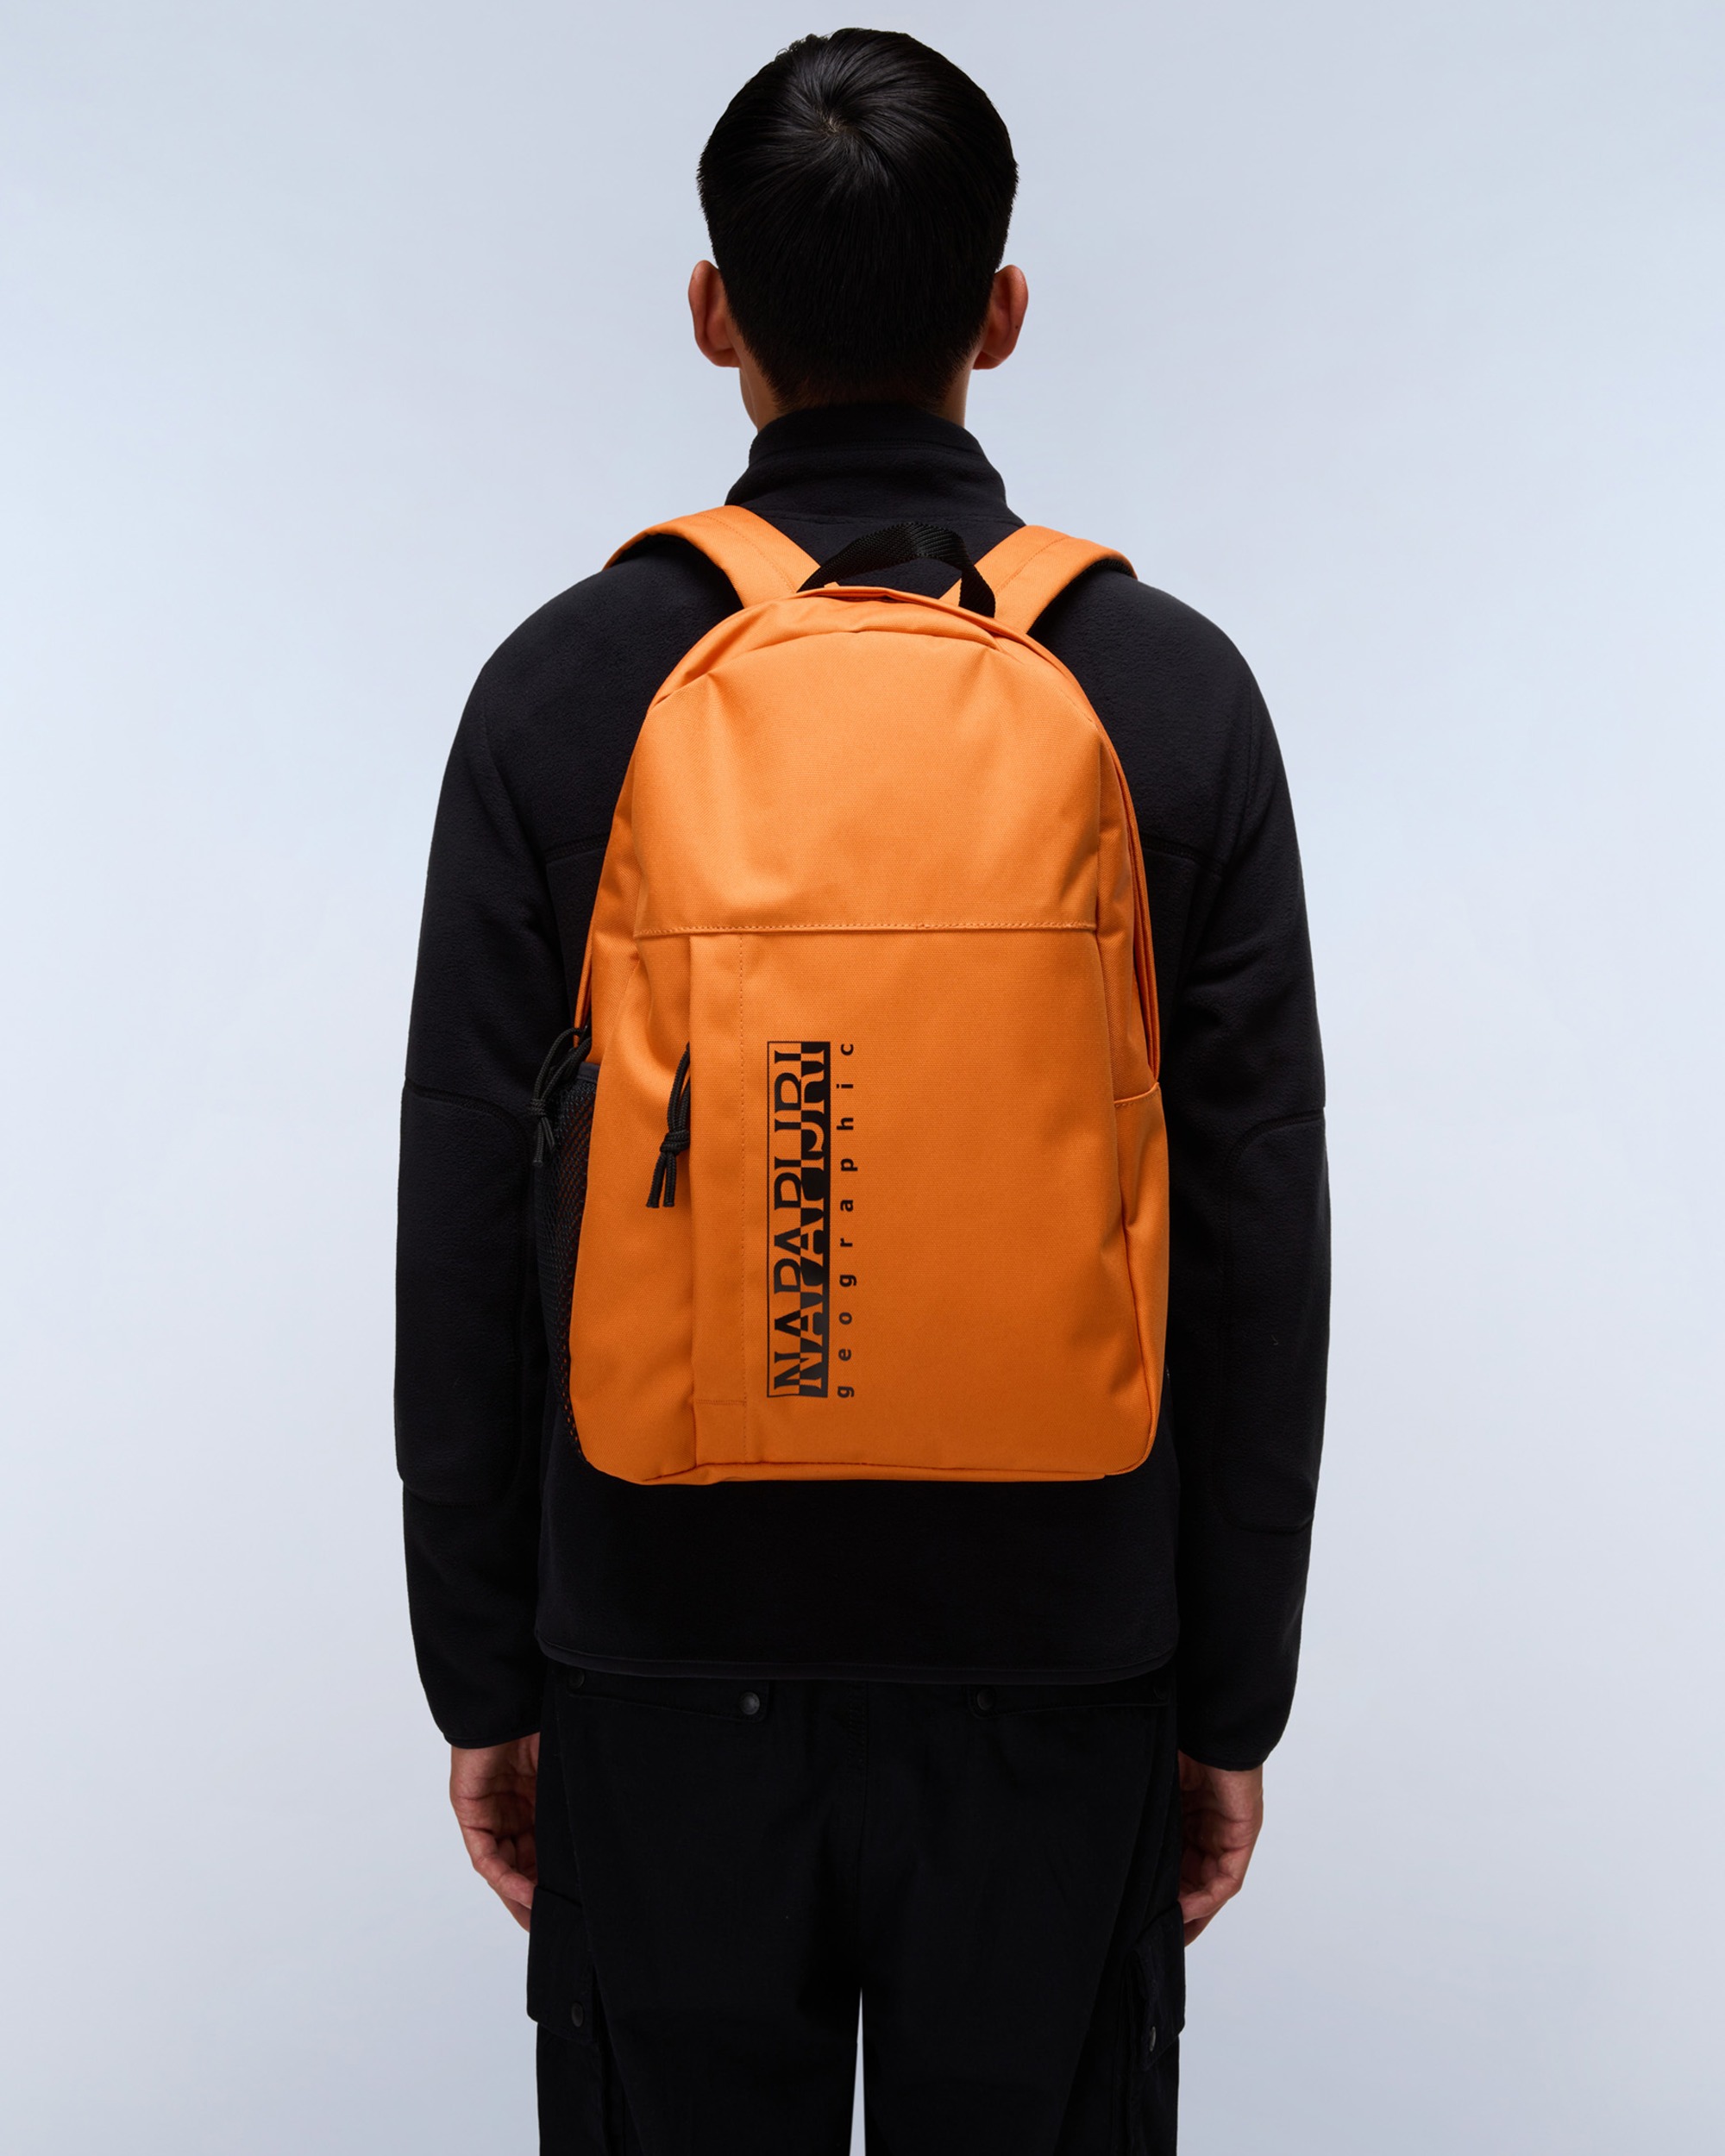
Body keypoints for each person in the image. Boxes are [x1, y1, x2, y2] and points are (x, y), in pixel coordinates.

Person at [396, 28, 1328, 2154]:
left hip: (653, 1634)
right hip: (1062, 1643)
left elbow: (461, 1211)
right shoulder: (1167, 693)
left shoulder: (564, 690)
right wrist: (1225, 1696)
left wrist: (487, 1675)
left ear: (710, 309)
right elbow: (1253, 1230)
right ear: (1000, 310)